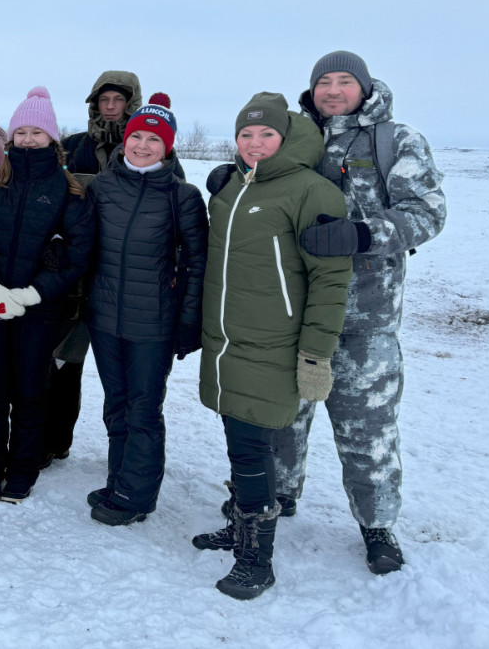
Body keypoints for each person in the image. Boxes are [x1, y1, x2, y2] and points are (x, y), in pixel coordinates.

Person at [268, 52, 446, 574]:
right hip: (291, 311)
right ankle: (275, 500)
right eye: (324, 81)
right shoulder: (294, 137)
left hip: (365, 318)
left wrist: (364, 233)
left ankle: (377, 525)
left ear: (364, 88)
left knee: (368, 431)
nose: (333, 89)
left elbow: (428, 212)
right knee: (280, 419)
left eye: (344, 81)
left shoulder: (396, 140)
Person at [192, 92, 351, 600]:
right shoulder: (234, 187)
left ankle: (256, 560)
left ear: (287, 138)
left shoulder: (313, 191)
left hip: (272, 346)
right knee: (239, 444)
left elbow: (330, 280)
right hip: (225, 343)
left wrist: (314, 353)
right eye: (246, 135)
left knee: (253, 451)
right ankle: (241, 529)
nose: (255, 144)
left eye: (266, 134)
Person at [0, 87, 93, 503]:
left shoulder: (69, 192)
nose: (29, 139)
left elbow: (77, 255)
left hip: (39, 311)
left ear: (52, 139)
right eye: (22, 131)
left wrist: (31, 295)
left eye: (38, 132)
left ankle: (22, 470)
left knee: (31, 392)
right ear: (11, 137)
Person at [85, 95, 208, 526]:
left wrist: (188, 322)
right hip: (104, 318)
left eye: (153, 139)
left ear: (168, 147)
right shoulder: (101, 187)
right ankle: (120, 478)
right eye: (136, 135)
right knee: (115, 404)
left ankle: (136, 497)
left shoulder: (184, 197)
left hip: (153, 324)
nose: (142, 145)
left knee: (143, 409)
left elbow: (197, 264)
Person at [44, 70, 141, 464]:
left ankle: (129, 457)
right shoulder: (71, 148)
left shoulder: (148, 149)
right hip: (75, 279)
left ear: (131, 104)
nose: (111, 107)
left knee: (128, 375)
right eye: (105, 100)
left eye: (119, 100)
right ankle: (53, 441)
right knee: (64, 362)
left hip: (125, 279)